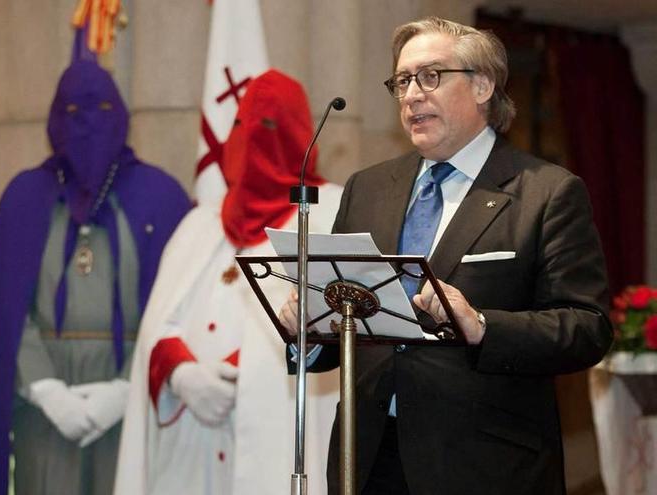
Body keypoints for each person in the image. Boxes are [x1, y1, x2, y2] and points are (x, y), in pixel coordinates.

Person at [279, 17, 612, 495]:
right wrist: (309, 328)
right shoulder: (368, 188)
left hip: (485, 463)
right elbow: (355, 319)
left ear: (482, 85)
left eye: (430, 76)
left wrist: (481, 324)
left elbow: (586, 327)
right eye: (402, 81)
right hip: (369, 457)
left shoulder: (547, 192)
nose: (412, 94)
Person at [0, 58, 190, 495]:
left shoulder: (160, 196)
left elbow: (178, 302)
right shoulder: (25, 197)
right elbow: (5, 308)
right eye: (73, 113)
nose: (87, 127)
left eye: (99, 109)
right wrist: (46, 390)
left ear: (119, 114)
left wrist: (125, 389)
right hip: (44, 411)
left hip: (132, 402)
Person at [114, 69, 341, 495]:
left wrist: (238, 372)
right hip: (190, 440)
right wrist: (181, 373)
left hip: (277, 430)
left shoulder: (330, 214)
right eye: (242, 124)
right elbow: (157, 325)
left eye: (270, 126)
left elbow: (331, 330)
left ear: (299, 136)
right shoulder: (199, 223)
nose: (253, 138)